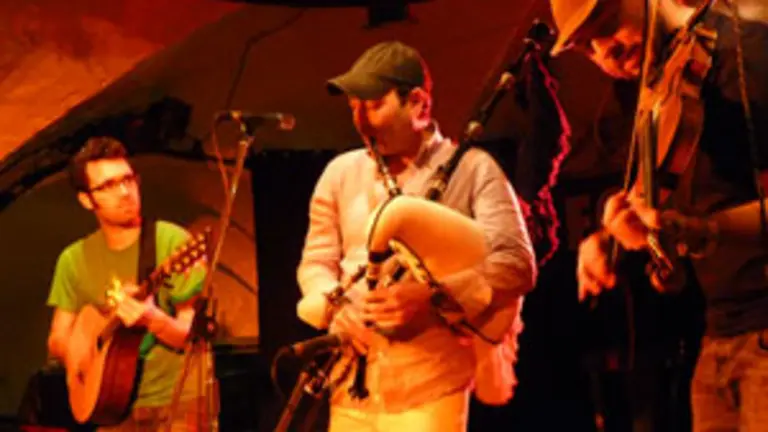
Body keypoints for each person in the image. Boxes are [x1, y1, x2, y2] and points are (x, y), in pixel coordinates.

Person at [294, 40, 536, 431]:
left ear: (419, 105)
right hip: (350, 384)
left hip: (430, 388)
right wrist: (337, 310)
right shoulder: (339, 173)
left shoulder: (472, 169)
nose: (361, 122)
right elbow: (315, 264)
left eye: (375, 105)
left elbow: (516, 265)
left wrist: (431, 297)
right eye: (354, 107)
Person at [548, 0, 768, 430]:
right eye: (586, 48)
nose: (604, 52)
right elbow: (674, 237)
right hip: (718, 335)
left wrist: (702, 231)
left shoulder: (748, 55)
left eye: (608, 24)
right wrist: (613, 241)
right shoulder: (657, 94)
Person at [46, 137, 211, 431]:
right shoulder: (73, 260)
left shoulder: (172, 242)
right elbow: (57, 337)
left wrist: (153, 320)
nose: (124, 192)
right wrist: (79, 352)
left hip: (177, 402)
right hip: (109, 405)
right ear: (86, 200)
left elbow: (192, 338)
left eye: (127, 180)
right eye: (108, 186)